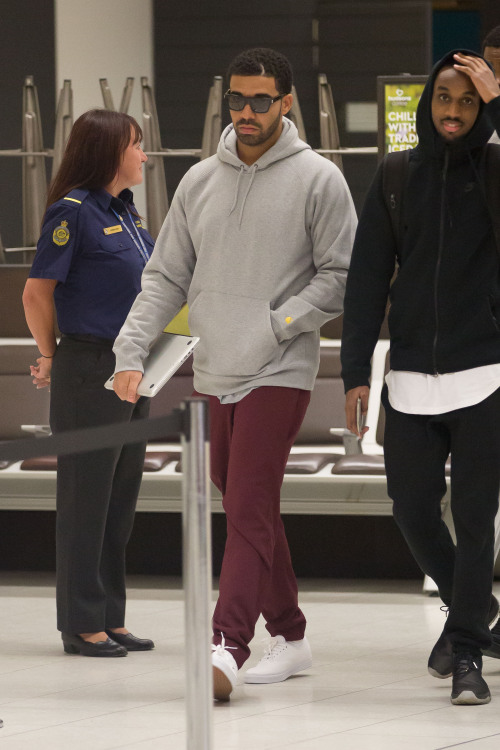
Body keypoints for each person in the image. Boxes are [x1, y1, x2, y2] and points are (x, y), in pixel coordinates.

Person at [112, 47, 356, 700]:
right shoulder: (198, 182)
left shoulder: (319, 180)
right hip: (215, 365)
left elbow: (340, 278)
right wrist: (131, 352)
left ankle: (227, 646)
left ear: (286, 103)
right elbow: (165, 277)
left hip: (282, 365)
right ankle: (293, 632)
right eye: (237, 100)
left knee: (246, 501)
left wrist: (279, 325)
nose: (246, 113)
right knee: (243, 498)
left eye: (260, 101)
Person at [341, 49, 500, 705]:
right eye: (444, 97)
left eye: (468, 100)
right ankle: (478, 610)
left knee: (474, 517)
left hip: (485, 374)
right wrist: (354, 371)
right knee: (409, 508)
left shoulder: (496, 171)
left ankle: (465, 652)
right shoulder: (396, 175)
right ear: (425, 104)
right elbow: (367, 279)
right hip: (408, 376)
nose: (455, 111)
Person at [22, 109, 155, 657]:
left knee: (118, 501)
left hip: (133, 368)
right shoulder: (71, 212)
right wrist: (49, 354)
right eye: (137, 144)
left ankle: (110, 615)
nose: (144, 154)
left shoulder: (128, 216)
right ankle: (80, 623)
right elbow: (37, 293)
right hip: (89, 367)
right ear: (109, 151)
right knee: (85, 500)